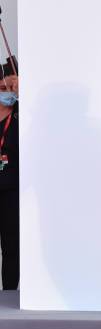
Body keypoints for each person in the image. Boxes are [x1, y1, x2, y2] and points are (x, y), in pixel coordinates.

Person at [0, 72, 19, 291]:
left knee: (11, 246)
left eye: (12, 88)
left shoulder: (19, 116)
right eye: (4, 89)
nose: (9, 93)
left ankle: (10, 293)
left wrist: (22, 93)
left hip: (12, 190)